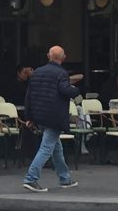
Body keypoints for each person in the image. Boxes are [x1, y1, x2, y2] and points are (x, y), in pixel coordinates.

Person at [22, 45, 80, 193]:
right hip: (54, 116)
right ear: (64, 58)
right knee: (47, 148)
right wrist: (76, 90)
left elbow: (29, 96)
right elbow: (66, 90)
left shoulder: (37, 72)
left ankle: (65, 178)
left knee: (56, 148)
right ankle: (31, 178)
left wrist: (28, 117)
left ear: (49, 56)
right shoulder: (61, 73)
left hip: (39, 116)